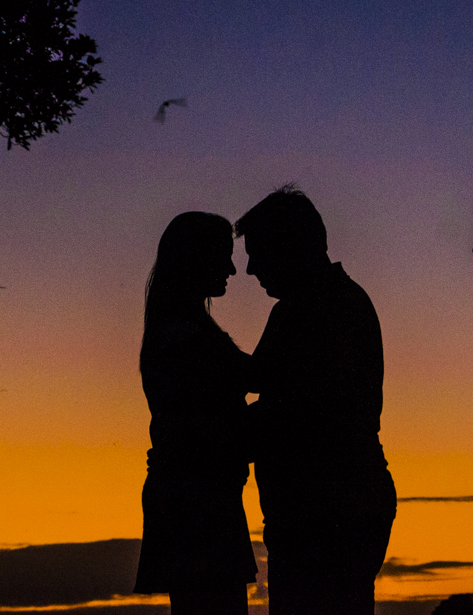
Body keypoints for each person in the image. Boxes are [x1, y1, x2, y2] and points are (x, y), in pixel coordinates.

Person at [237, 185, 397, 615]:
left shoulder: (315, 306)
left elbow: (295, 410)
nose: (250, 268)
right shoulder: (324, 301)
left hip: (327, 509)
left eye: (258, 252)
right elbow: (261, 382)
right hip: (337, 502)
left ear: (289, 245)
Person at [133, 212, 259, 615]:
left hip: (196, 498)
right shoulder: (184, 336)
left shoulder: (182, 328)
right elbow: (253, 377)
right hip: (196, 505)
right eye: (222, 256)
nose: (232, 268)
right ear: (195, 259)